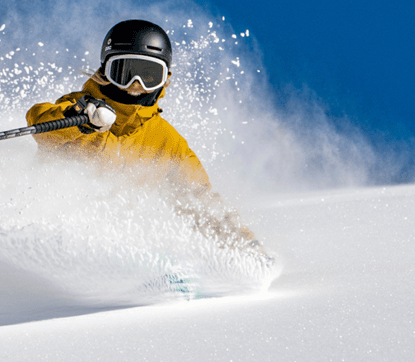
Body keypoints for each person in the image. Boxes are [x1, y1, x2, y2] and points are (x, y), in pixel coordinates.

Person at [25, 19, 261, 255]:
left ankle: (158, 278)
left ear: (165, 78)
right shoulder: (78, 110)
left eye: (148, 75)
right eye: (124, 71)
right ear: (105, 71)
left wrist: (245, 244)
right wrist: (79, 118)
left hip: (118, 245)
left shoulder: (168, 143)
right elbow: (40, 123)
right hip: (56, 232)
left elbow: (200, 200)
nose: (134, 84)